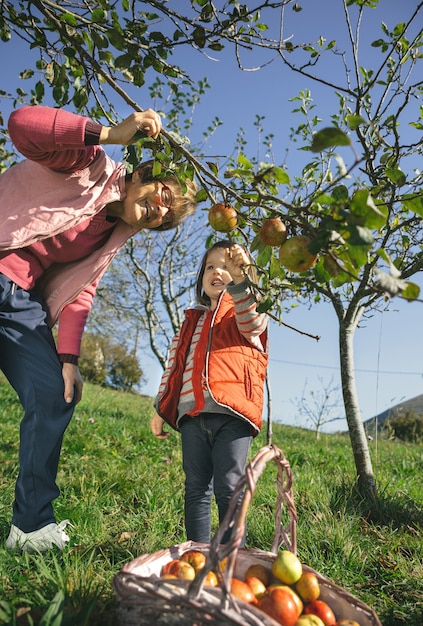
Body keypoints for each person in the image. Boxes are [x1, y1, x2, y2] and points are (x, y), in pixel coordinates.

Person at [0, 104, 197, 552]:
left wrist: (68, 360)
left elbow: (80, 294)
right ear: (144, 174)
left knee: (55, 394)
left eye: (168, 217)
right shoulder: (85, 164)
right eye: (164, 192)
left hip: (18, 302)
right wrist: (108, 133)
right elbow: (21, 126)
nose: (160, 209)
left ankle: (29, 528)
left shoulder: (110, 236)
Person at [150, 240, 269, 544]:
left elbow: (252, 322)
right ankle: (198, 553)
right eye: (210, 267)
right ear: (202, 278)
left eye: (227, 267)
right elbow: (173, 366)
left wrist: (242, 280)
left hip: (233, 414)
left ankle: (231, 558)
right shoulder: (192, 320)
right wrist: (160, 408)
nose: (218, 271)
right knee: (196, 488)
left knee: (228, 487)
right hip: (192, 416)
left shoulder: (247, 311)